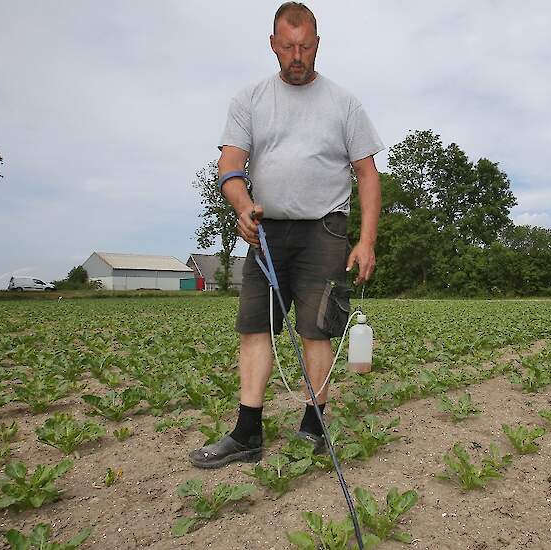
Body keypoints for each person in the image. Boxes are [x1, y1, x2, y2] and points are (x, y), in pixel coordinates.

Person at [190, 1, 383, 469]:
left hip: (325, 229)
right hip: (266, 232)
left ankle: (313, 425)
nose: (297, 55)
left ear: (317, 44)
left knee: (317, 331)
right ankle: (247, 433)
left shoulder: (345, 103)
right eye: (287, 46)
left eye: (305, 46)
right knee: (255, 327)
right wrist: (241, 205)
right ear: (273, 45)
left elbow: (367, 173)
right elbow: (230, 163)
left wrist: (366, 240)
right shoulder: (249, 100)